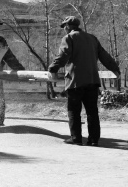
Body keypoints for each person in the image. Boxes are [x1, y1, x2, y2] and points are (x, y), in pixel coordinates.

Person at [48, 16, 120, 146]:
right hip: (92, 80)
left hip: (75, 81)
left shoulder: (69, 38)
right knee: (92, 112)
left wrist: (53, 68)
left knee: (74, 111)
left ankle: (76, 138)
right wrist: (115, 68)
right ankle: (93, 140)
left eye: (65, 26)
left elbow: (63, 55)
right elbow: (104, 56)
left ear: (69, 26)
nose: (64, 28)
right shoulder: (92, 38)